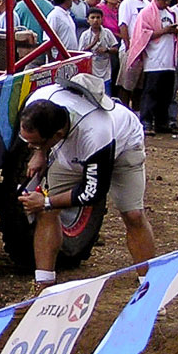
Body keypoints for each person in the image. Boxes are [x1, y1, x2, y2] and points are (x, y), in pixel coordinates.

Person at [16, 75, 155, 291]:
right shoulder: (39, 100)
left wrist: (45, 201)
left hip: (123, 145)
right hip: (69, 149)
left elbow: (92, 193)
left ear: (57, 135)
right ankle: (43, 287)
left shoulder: (95, 132)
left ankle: (148, 286)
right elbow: (34, 136)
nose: (29, 145)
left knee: (133, 215)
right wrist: (39, 152)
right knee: (47, 213)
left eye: (35, 143)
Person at [129, 0, 178, 134]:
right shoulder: (146, 13)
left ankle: (161, 123)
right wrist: (164, 31)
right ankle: (146, 122)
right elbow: (142, 34)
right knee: (151, 93)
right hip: (154, 60)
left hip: (168, 60)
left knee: (166, 94)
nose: (167, 2)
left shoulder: (171, 13)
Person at [79, 6, 120, 92]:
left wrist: (107, 50)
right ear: (88, 20)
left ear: (102, 19)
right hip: (92, 71)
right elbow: (81, 54)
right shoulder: (85, 35)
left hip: (105, 71)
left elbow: (115, 48)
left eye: (98, 17)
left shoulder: (107, 33)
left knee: (106, 95)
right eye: (92, 18)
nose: (95, 20)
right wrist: (93, 43)